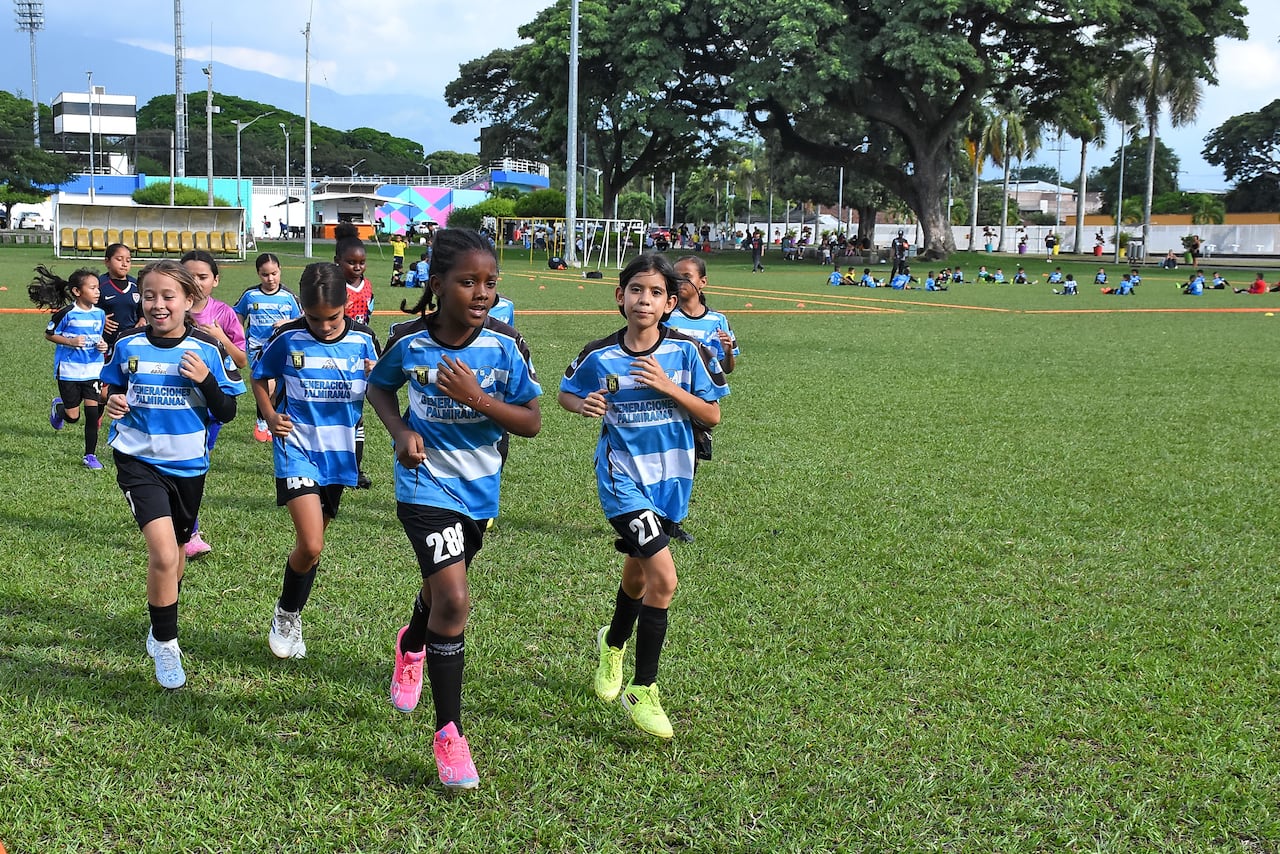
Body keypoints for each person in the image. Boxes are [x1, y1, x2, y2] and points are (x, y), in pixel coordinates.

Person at [366, 228, 542, 790]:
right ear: (437, 284)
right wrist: (398, 432)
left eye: (490, 282)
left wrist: (477, 399)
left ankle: (411, 643)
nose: (482, 292)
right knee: (457, 598)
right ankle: (450, 735)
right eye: (468, 282)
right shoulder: (409, 341)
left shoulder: (506, 345)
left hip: (479, 489)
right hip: (423, 487)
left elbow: (531, 421)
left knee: (441, 591)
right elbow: (379, 388)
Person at [558, 253, 727, 740]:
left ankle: (612, 646)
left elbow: (711, 415)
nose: (644, 300)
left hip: (672, 481)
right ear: (620, 296)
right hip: (622, 481)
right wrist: (582, 403)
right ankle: (643, 689)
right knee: (664, 579)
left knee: (637, 577)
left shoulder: (687, 352)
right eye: (636, 290)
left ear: (670, 302)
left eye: (655, 293)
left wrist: (669, 387)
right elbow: (567, 393)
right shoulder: (600, 354)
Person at [101, 260, 245, 688]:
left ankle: (158, 620)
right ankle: (166, 644)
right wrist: (114, 403)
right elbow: (114, 388)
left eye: (168, 296)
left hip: (188, 466)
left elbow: (228, 411)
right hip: (137, 459)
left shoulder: (206, 350)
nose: (158, 304)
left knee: (178, 554)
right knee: (163, 554)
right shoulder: (127, 345)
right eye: (149, 296)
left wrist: (206, 382)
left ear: (189, 300)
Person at [252, 262, 380, 661]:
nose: (324, 327)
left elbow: (384, 386)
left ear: (348, 307)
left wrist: (378, 379)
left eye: (333, 318)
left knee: (311, 551)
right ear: (302, 309)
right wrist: (270, 417)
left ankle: (292, 612)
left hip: (340, 451)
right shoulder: (287, 337)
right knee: (310, 541)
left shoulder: (365, 340)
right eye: (313, 318)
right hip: (296, 445)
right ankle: (286, 616)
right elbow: (259, 375)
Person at [181, 250, 249, 559]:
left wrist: (220, 337)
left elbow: (242, 360)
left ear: (216, 280)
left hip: (215, 398)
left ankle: (184, 524)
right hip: (179, 399)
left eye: (202, 276)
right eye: (188, 275)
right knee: (188, 460)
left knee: (197, 460)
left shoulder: (223, 314)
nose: (195, 282)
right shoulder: (169, 310)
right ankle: (190, 532)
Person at [29, 265, 108, 469]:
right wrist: (70, 342)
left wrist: (103, 345)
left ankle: (89, 455)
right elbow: (49, 334)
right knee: (73, 417)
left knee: (92, 413)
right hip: (69, 370)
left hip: (93, 369)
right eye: (92, 288)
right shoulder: (67, 313)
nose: (97, 291)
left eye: (98, 287)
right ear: (77, 291)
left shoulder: (100, 313)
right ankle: (60, 408)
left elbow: (98, 336)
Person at [234, 253, 302, 441]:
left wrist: (286, 323)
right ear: (258, 274)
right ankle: (263, 420)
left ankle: (270, 420)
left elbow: (302, 318)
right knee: (266, 384)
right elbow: (238, 313)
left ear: (280, 271)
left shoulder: (288, 297)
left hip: (281, 348)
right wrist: (238, 333)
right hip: (257, 348)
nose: (270, 278)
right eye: (265, 275)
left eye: (274, 273)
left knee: (277, 386)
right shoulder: (250, 295)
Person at [334, 223, 375, 489]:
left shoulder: (368, 285)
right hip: (335, 352)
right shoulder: (333, 286)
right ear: (337, 262)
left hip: (358, 352)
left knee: (356, 413)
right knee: (336, 411)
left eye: (361, 262)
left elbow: (368, 317)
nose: (357, 267)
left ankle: (355, 469)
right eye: (351, 262)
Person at [98, 243, 140, 359]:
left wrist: (142, 319)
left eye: (128, 260)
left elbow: (142, 308)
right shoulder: (99, 284)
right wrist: (100, 319)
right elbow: (87, 308)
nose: (124, 264)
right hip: (106, 341)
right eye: (119, 259)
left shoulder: (136, 285)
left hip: (131, 339)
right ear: (107, 262)